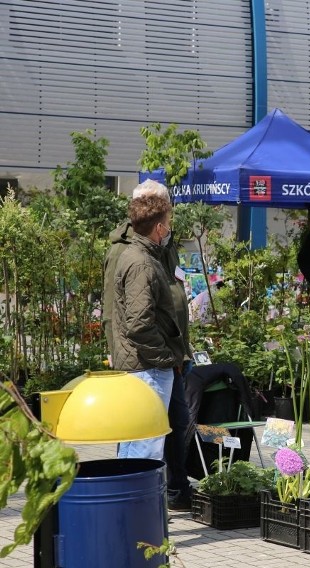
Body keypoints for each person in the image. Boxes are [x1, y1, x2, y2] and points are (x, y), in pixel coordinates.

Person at [103, 180, 194, 511]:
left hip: (144, 363)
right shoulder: (141, 262)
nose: (170, 229)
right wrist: (166, 357)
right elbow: (139, 323)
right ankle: (133, 518)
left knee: (136, 444)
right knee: (145, 447)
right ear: (158, 227)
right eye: (168, 224)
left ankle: (125, 514)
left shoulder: (141, 254)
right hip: (148, 366)